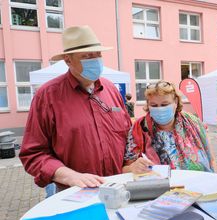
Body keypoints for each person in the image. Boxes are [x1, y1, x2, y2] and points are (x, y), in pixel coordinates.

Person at [19, 26, 132, 192]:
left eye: (98, 54)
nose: (95, 60)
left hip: (118, 188)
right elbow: (33, 153)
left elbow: (127, 136)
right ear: (68, 60)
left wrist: (134, 161)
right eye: (87, 56)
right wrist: (69, 175)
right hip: (74, 193)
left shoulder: (111, 89)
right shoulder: (48, 95)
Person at [122, 80, 215, 174]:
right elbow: (125, 169)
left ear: (175, 102)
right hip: (159, 186)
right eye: (154, 105)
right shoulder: (139, 129)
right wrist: (133, 168)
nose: (159, 109)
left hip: (195, 185)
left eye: (164, 104)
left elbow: (211, 159)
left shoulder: (193, 123)